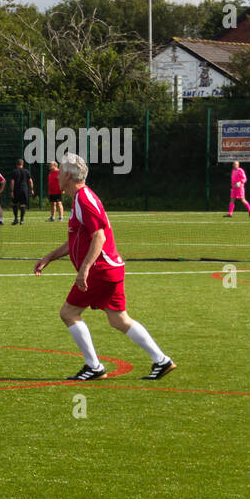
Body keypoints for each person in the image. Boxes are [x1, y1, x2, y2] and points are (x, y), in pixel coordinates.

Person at [33, 152, 175, 381]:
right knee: (119, 319)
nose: (57, 174)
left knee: (69, 313)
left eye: (60, 170)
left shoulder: (83, 198)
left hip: (101, 269)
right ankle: (162, 360)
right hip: (111, 268)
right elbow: (77, 239)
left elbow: (98, 236)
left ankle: (94, 366)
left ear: (68, 174)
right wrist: (49, 257)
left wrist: (85, 268)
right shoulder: (79, 199)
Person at [9, 158, 34, 225]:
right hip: (24, 190)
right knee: (23, 205)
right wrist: (31, 189)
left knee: (15, 204)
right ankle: (22, 220)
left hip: (16, 190)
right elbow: (30, 181)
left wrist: (11, 191)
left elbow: (12, 181)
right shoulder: (26, 171)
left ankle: (16, 219)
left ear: (16, 164)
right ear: (22, 164)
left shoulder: (14, 171)